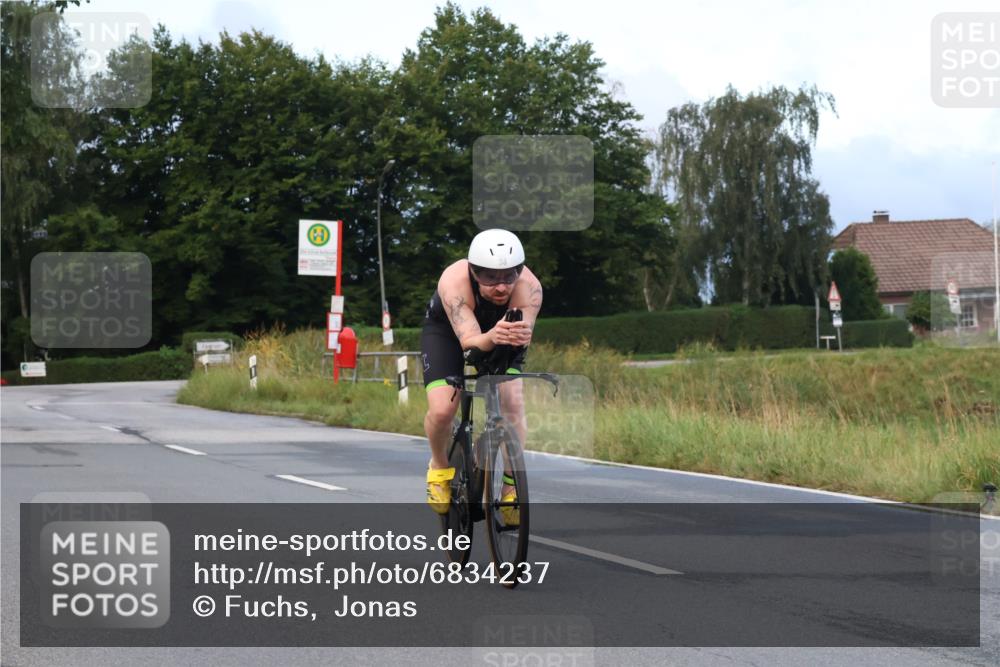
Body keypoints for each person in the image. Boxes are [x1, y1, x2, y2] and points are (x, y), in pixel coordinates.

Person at [420, 228, 543, 520]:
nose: (501, 287)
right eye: (490, 278)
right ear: (474, 272)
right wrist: (492, 336)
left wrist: (511, 336)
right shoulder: (454, 282)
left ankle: (511, 488)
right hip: (449, 334)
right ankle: (439, 467)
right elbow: (470, 343)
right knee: (443, 409)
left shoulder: (530, 288)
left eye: (509, 277)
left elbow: (518, 341)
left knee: (512, 400)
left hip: (501, 335)